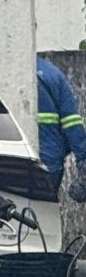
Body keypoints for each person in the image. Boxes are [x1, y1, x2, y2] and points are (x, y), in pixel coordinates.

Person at [36, 56, 86, 203]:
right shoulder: (52, 74)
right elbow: (72, 122)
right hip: (50, 162)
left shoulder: (0, 71)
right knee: (43, 210)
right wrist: (83, 160)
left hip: (8, 161)